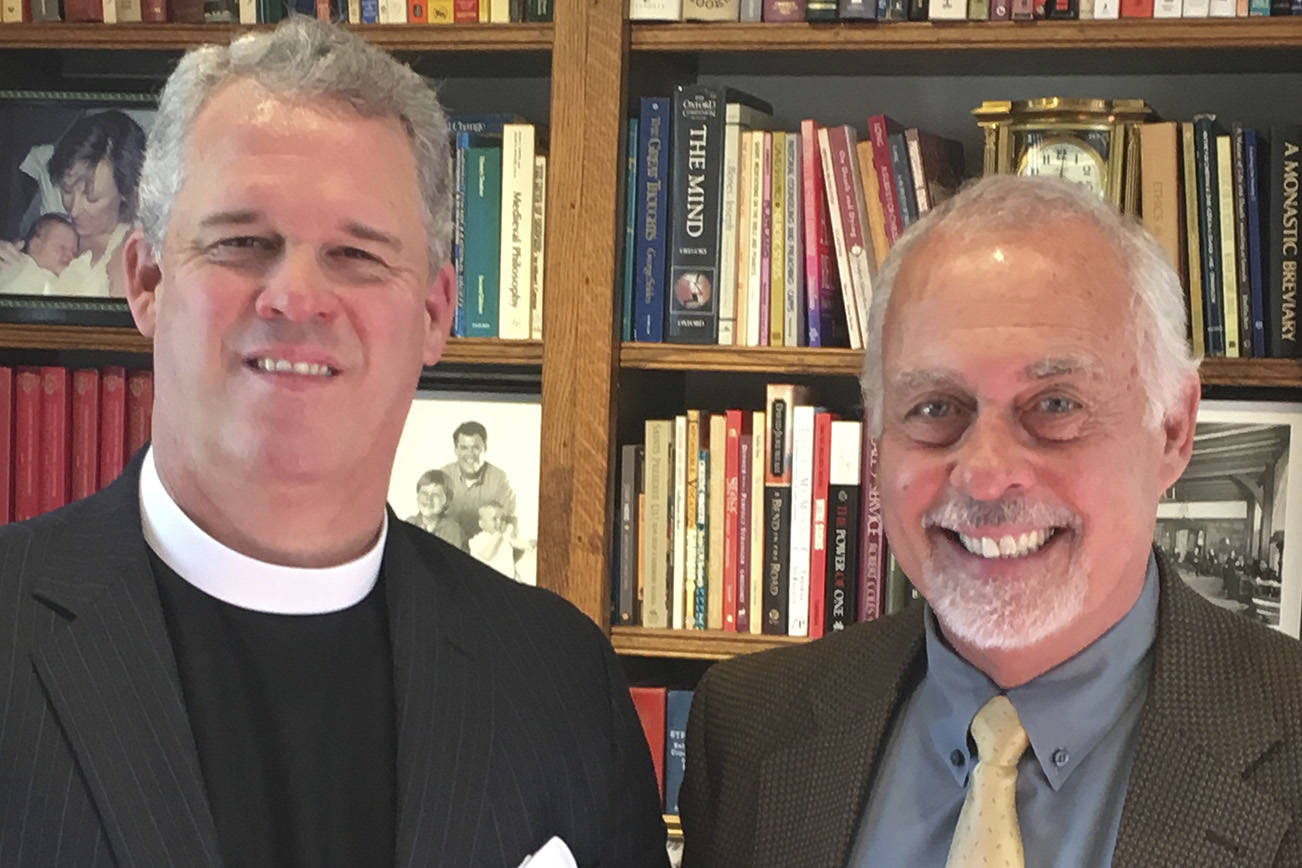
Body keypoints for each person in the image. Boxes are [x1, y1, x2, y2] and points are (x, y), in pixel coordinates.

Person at [0, 18, 667, 868]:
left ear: (434, 314)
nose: (296, 297)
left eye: (356, 254)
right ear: (146, 281)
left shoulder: (561, 681)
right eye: (242, 243)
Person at [680, 175, 1302, 868]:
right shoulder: (747, 727)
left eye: (1057, 405)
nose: (985, 473)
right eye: (935, 407)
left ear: (1174, 430)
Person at [11, 108, 148, 298]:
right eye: (67, 190)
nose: (73, 210)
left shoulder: (133, 253)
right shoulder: (52, 225)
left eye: (92, 198)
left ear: (125, 193)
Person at [440, 419, 519, 542]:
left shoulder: (500, 479)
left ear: (485, 448)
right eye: (464, 448)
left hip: (486, 549)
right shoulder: (443, 476)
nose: (470, 454)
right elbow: (429, 517)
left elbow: (511, 522)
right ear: (455, 450)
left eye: (476, 448)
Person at [0, 212, 79, 295]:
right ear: (36, 245)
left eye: (74, 253)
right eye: (62, 248)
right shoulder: (20, 265)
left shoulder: (67, 284)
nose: (70, 256)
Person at [405, 467, 463, 549]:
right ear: (417, 496)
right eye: (424, 493)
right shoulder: (410, 523)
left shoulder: (452, 530)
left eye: (436, 495)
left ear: (447, 501)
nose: (428, 499)